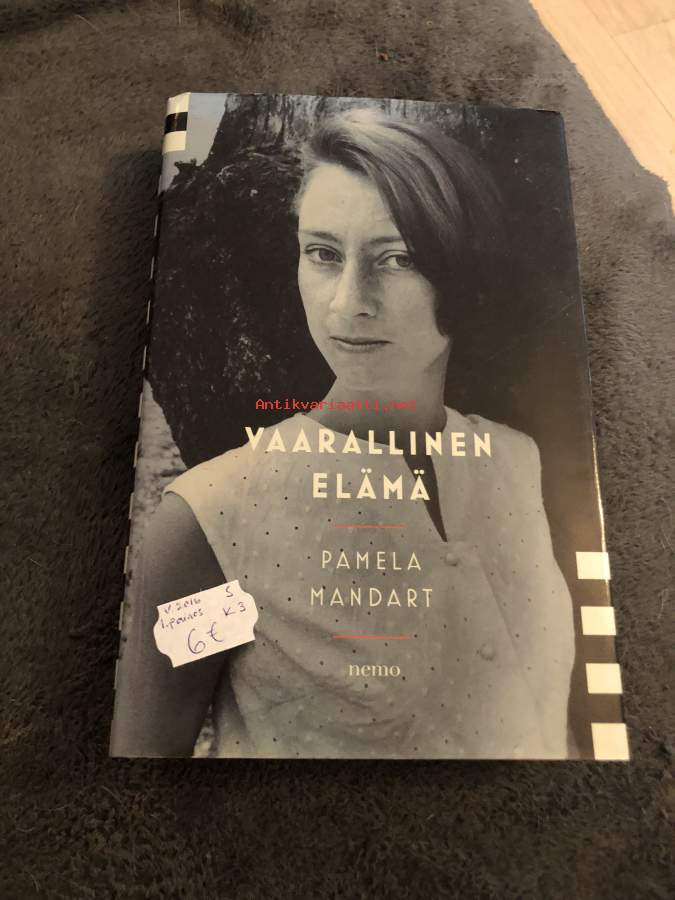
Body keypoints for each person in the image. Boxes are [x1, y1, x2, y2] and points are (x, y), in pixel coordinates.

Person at [111, 108, 575, 759]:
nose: (347, 303)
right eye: (323, 254)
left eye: (398, 258)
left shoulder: (521, 464)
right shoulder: (208, 522)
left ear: (464, 271)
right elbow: (148, 770)